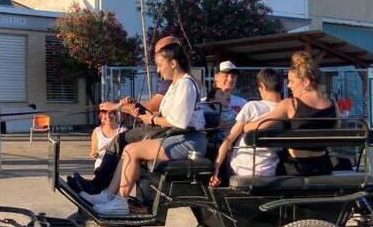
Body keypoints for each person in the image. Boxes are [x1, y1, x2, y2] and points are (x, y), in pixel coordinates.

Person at [80, 42, 206, 216]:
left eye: (160, 65)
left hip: (189, 140)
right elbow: (161, 113)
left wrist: (151, 119)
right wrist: (136, 107)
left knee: (133, 150)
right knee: (128, 149)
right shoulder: (176, 85)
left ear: (173, 63)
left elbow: (179, 121)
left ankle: (119, 202)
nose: (159, 70)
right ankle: (109, 196)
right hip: (176, 136)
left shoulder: (185, 84)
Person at [68, 35, 183, 193]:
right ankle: (104, 188)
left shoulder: (177, 81)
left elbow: (152, 107)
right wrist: (129, 104)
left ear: (172, 58)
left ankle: (99, 187)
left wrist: (118, 106)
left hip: (167, 130)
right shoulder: (170, 80)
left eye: (159, 61)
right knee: (121, 141)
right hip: (161, 125)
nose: (157, 68)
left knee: (121, 140)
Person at [242, 51, 336, 176]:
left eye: (292, 81)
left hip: (295, 169)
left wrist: (245, 124)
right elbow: (335, 133)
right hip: (324, 167)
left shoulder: (290, 105)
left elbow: (253, 127)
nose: (288, 85)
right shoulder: (333, 105)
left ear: (306, 82)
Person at [209, 68, 282, 186]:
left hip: (241, 169)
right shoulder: (286, 110)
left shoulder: (252, 106)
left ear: (262, 86)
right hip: (269, 171)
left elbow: (228, 141)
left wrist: (215, 170)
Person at [206, 61, 246, 138]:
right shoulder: (204, 103)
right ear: (216, 77)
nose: (230, 79)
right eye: (226, 75)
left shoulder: (243, 103)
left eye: (233, 76)